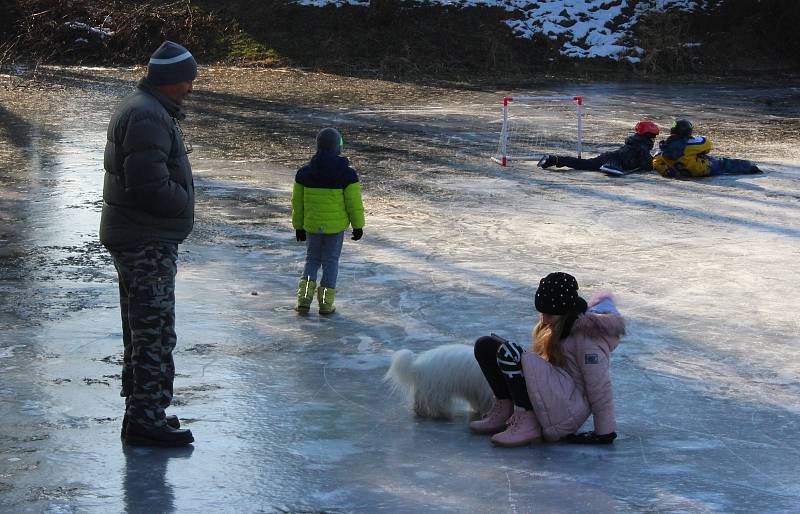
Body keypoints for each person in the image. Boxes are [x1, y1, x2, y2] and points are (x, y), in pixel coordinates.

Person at [100, 41, 198, 447]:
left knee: (142, 330)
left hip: (138, 235)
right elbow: (147, 184)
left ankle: (144, 412)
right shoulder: (147, 115)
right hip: (146, 239)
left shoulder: (148, 108)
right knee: (153, 332)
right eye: (189, 77)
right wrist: (183, 202)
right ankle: (146, 420)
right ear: (171, 81)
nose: (193, 85)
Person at [469, 272, 625, 447]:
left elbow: (600, 387)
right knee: (485, 345)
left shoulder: (587, 340)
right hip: (555, 394)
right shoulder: (559, 325)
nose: (543, 319)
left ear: (565, 311)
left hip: (568, 409)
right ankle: (505, 409)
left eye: (549, 314)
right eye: (542, 313)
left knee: (509, 353)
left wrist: (605, 433)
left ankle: (527, 422)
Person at [292, 127, 365, 315]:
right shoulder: (347, 175)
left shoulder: (304, 174)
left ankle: (304, 300)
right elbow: (353, 204)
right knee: (330, 262)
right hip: (334, 228)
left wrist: (298, 227)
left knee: (312, 260)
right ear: (337, 147)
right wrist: (358, 226)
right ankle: (325, 303)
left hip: (312, 226)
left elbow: (297, 204)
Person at [537, 120, 660, 174]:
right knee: (587, 165)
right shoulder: (641, 147)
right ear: (648, 137)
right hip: (614, 160)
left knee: (584, 164)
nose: (654, 140)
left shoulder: (635, 143)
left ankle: (554, 159)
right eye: (653, 137)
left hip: (608, 155)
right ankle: (610, 166)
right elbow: (647, 166)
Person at [653, 119, 762, 178]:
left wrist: (666, 171)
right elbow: (707, 144)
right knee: (723, 163)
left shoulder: (664, 146)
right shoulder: (690, 145)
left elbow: (656, 161)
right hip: (702, 169)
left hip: (682, 171)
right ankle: (750, 167)